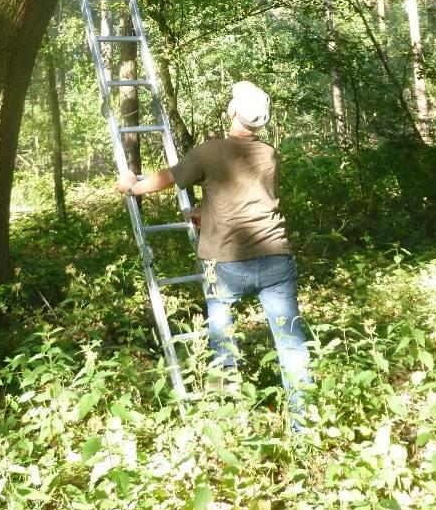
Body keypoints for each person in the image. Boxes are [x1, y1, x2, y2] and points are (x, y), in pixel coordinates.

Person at [117, 80, 312, 425]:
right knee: (291, 344)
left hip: (226, 264)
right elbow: (249, 202)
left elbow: (169, 177)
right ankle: (304, 423)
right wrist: (206, 213)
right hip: (275, 257)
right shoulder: (268, 153)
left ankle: (228, 417)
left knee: (223, 338)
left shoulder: (209, 151)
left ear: (234, 111)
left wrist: (133, 186)